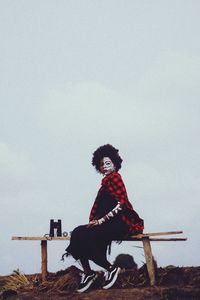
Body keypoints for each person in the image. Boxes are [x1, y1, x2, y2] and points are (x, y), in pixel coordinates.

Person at [63, 144, 144, 292]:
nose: (105, 167)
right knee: (77, 232)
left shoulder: (116, 178)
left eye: (108, 163)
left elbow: (121, 205)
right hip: (106, 223)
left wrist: (100, 221)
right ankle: (88, 273)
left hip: (120, 223)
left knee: (86, 236)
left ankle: (110, 269)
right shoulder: (104, 184)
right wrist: (96, 221)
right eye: (101, 164)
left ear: (115, 163)